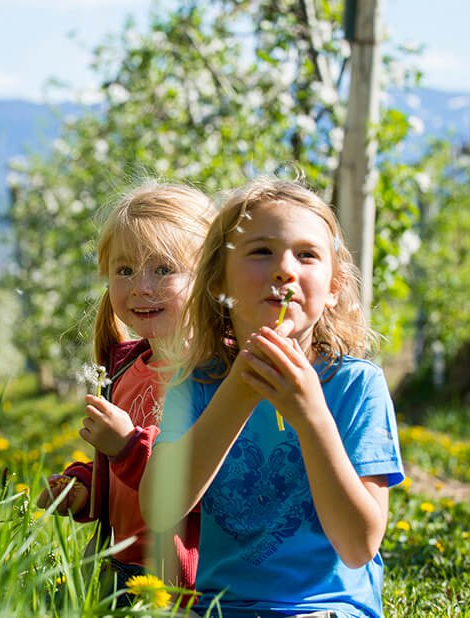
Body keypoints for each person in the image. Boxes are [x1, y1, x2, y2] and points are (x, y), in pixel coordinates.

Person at [141, 177, 404, 618]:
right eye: (261, 251)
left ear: (334, 285)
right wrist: (239, 390)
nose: (285, 269)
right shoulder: (198, 385)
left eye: (307, 255)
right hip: (220, 609)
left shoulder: (356, 387)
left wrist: (311, 415)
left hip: (329, 609)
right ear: (217, 282)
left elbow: (358, 546)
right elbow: (159, 507)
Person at [36, 181, 216, 600]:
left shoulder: (217, 376)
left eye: (163, 269)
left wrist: (128, 447)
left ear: (209, 277)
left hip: (187, 586)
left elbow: (213, 487)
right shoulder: (123, 369)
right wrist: (82, 489)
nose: (140, 287)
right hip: (121, 572)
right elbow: (116, 477)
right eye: (124, 270)